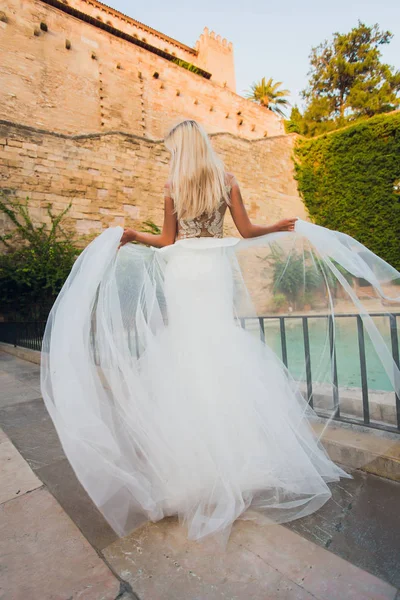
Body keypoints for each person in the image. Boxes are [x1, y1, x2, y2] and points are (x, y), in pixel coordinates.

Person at [40, 118, 400, 545]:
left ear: (181, 148)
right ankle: (238, 465)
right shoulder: (227, 181)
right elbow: (246, 232)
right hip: (214, 270)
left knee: (187, 349)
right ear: (205, 144)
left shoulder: (174, 187)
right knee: (221, 346)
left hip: (184, 271)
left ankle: (188, 473)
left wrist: (136, 235)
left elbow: (169, 242)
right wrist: (277, 228)